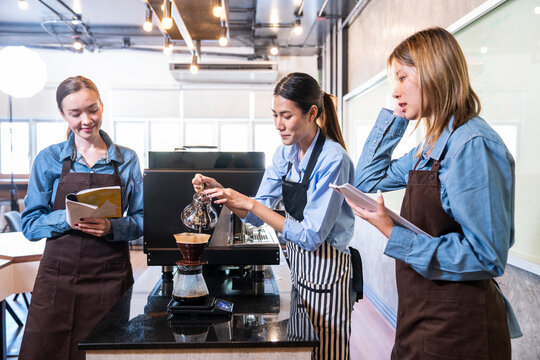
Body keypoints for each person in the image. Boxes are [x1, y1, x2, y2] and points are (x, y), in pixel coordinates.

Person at [349, 27, 521, 359]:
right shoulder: (430, 147)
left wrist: (390, 230)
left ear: (433, 73)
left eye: (402, 77)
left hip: (460, 330)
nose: (395, 91)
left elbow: (487, 255)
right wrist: (396, 120)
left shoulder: (472, 145)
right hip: (422, 317)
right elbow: (368, 181)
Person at [193, 72, 355, 360]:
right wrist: (224, 194)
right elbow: (257, 213)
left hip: (327, 273)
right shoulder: (285, 153)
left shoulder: (333, 159)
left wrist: (252, 205)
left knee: (327, 353)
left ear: (312, 112)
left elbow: (312, 235)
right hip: (300, 270)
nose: (278, 125)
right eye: (275, 115)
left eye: (287, 115)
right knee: (302, 350)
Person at [19, 76, 144, 360]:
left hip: (109, 277)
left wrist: (113, 226)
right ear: (63, 115)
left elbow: (143, 218)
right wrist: (66, 218)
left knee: (102, 353)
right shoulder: (48, 159)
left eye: (92, 110)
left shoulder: (127, 159)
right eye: (75, 114)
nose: (86, 120)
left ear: (102, 106)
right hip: (57, 279)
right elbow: (29, 224)